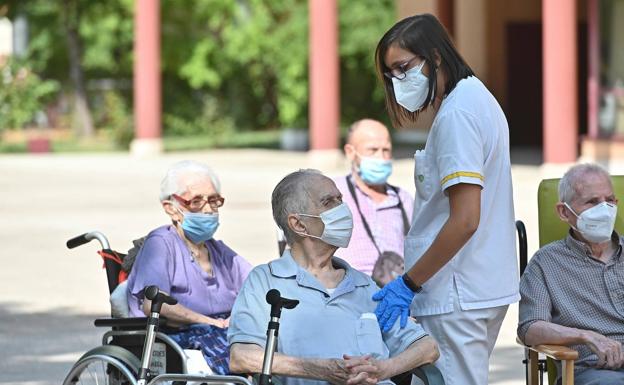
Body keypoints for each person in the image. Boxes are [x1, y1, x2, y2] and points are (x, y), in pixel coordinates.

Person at [371, 14, 519, 385]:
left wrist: (408, 284)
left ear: (435, 56)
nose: (398, 81)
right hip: (471, 289)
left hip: (456, 293)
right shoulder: (475, 98)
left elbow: (465, 219)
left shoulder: (458, 114)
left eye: (403, 67)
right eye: (391, 74)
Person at [228, 169, 439, 385]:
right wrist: (322, 370)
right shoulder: (265, 281)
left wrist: (384, 369)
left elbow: (427, 348)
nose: (343, 210)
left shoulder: (364, 285)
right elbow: (241, 357)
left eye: (341, 199)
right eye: (329, 202)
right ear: (299, 224)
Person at [125, 160, 252, 375]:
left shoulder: (218, 251)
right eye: (196, 202)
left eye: (213, 201)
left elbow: (257, 283)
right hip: (177, 337)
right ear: (171, 208)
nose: (208, 209)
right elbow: (154, 303)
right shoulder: (161, 244)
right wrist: (211, 322)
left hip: (223, 333)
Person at [518, 164, 624, 384]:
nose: (604, 209)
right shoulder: (546, 263)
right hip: (594, 371)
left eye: (610, 200)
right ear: (564, 212)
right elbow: (529, 328)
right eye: (592, 202)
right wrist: (586, 336)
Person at [333, 119, 413, 287]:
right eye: (372, 150)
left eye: (386, 150)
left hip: (394, 292)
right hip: (346, 292)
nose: (381, 157)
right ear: (350, 152)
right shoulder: (334, 193)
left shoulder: (403, 199)